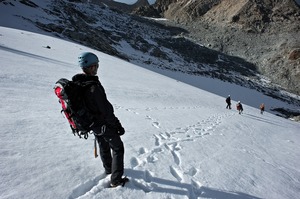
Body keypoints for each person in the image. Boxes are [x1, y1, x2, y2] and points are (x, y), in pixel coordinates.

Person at [73, 52, 126, 187]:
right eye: (96, 65)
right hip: (101, 123)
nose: (97, 68)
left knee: (103, 144)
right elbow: (106, 110)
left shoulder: (79, 83)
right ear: (91, 67)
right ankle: (116, 179)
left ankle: (109, 169)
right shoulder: (93, 87)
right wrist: (117, 125)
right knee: (118, 147)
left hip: (92, 124)